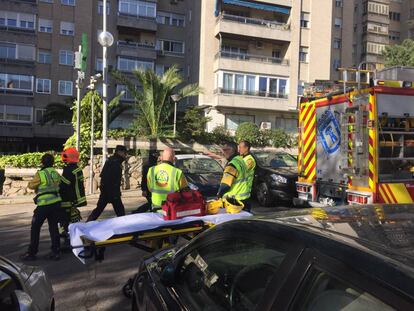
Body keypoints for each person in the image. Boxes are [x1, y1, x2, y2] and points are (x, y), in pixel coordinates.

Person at [20, 154, 62, 261]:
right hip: (56, 204)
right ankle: (56, 251)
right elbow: (59, 184)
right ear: (53, 162)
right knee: (53, 228)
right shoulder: (55, 173)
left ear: (42, 162)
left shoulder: (41, 174)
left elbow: (31, 186)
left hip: (43, 205)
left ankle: (32, 252)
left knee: (35, 227)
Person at [86, 145, 127, 221]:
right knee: (120, 211)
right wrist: (115, 193)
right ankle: (125, 226)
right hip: (112, 191)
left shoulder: (111, 160)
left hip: (106, 189)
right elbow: (112, 179)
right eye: (124, 153)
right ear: (120, 152)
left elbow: (103, 176)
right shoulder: (115, 162)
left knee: (98, 209)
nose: (125, 155)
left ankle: (88, 223)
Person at [59, 147, 87, 248]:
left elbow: (64, 185)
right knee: (73, 219)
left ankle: (67, 240)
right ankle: (78, 237)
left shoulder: (68, 170)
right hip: (75, 199)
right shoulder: (77, 169)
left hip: (67, 199)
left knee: (64, 220)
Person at [147, 147, 188, 212]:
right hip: (172, 210)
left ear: (161, 158)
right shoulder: (177, 172)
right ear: (174, 159)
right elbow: (185, 191)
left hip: (156, 209)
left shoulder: (151, 170)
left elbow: (149, 188)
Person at [217, 141, 250, 211]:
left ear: (231, 150)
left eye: (225, 150)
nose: (223, 152)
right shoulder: (240, 160)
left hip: (235, 202)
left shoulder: (232, 165)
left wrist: (219, 195)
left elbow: (225, 185)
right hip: (245, 199)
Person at [238, 140, 256, 212]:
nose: (239, 149)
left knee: (245, 215)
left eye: (240, 147)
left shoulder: (249, 160)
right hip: (239, 192)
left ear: (246, 148)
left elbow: (240, 172)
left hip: (244, 193)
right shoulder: (242, 158)